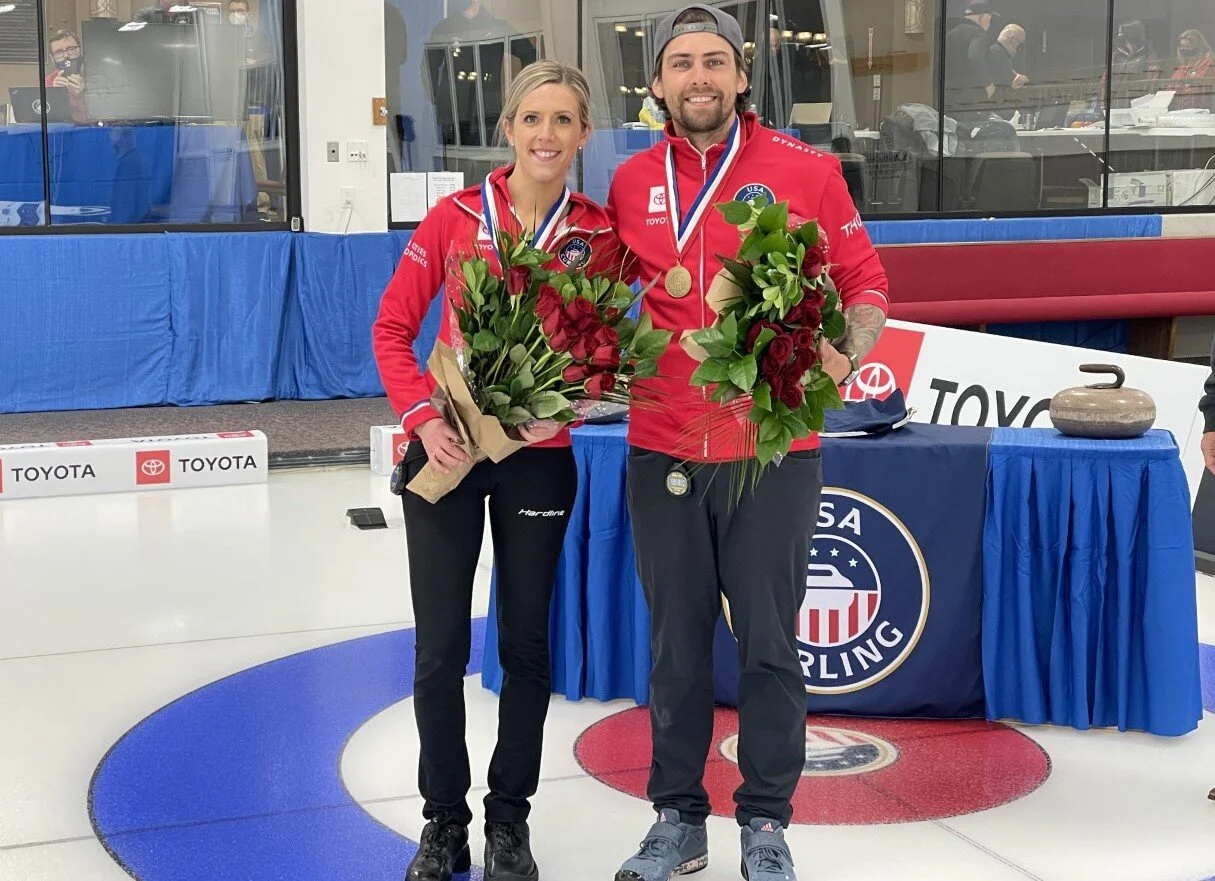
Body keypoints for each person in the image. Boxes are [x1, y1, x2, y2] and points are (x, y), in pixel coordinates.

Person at [605, 6, 889, 881]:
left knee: (769, 643)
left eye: (714, 62)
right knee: (676, 645)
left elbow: (863, 280)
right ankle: (676, 819)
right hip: (661, 444)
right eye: (680, 63)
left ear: (740, 75)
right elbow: (593, 293)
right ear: (656, 83)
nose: (698, 77)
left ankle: (765, 821)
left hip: (773, 445)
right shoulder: (624, 183)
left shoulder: (805, 169)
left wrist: (851, 345)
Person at [372, 60, 624, 881]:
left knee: (524, 643)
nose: (546, 134)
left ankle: (508, 822)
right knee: (440, 648)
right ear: (507, 129)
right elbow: (391, 328)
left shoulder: (600, 232)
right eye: (531, 119)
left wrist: (574, 407)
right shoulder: (452, 218)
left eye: (562, 120)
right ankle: (442, 822)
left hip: (537, 463)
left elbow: (607, 352)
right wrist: (421, 419)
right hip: (446, 452)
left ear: (583, 134)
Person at [944, 1, 997, 121]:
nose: (989, 24)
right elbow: (975, 57)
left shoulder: (950, 34)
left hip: (948, 93)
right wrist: (987, 83)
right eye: (989, 19)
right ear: (982, 17)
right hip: (969, 96)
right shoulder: (978, 33)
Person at [44, 30, 87, 124]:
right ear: (52, 58)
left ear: (81, 50)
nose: (66, 55)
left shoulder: (94, 75)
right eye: (59, 52)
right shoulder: (49, 81)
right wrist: (56, 95)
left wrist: (85, 92)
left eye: (71, 49)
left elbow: (107, 111)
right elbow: (48, 119)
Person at [1170, 29, 1215, 112]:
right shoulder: (1182, 67)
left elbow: (1200, 88)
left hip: (1201, 112)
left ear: (1198, 47)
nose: (1184, 50)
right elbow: (1170, 90)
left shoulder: (1208, 62)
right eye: (1182, 47)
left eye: (1188, 47)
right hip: (1180, 112)